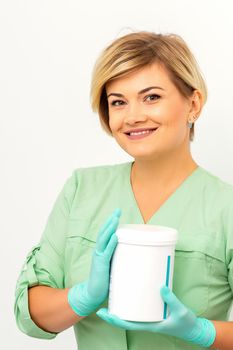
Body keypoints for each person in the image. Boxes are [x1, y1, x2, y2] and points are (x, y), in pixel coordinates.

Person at [14, 31, 233, 350]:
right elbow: (29, 313)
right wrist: (84, 296)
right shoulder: (82, 189)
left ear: (193, 103)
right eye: (118, 102)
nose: (133, 116)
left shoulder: (226, 207)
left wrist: (201, 331)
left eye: (152, 97)